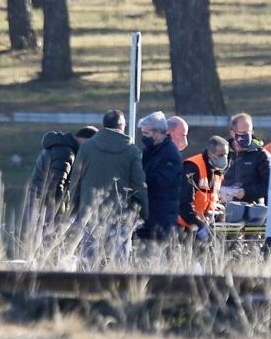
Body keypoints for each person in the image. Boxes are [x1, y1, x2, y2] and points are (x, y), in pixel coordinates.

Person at [68, 110, 148, 262]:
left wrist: (74, 208)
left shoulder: (86, 148)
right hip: (120, 216)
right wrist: (143, 212)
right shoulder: (132, 151)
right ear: (121, 126)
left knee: (88, 263)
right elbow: (139, 185)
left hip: (90, 214)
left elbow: (75, 180)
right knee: (118, 267)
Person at [26, 125, 96, 223]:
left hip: (38, 202)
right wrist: (61, 212)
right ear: (86, 141)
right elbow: (55, 185)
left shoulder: (61, 148)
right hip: (45, 206)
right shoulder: (65, 153)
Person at [136, 111, 183, 242]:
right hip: (149, 214)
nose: (144, 137)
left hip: (161, 218)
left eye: (147, 133)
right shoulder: (149, 151)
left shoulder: (170, 154)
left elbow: (161, 181)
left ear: (158, 132)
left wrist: (138, 176)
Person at [179, 135, 230, 242]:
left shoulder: (217, 172)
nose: (224, 158)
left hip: (204, 226)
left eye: (226, 154)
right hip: (184, 228)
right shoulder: (192, 167)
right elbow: (184, 204)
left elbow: (211, 199)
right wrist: (200, 226)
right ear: (211, 154)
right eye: (221, 155)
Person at [222, 112, 270, 204]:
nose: (247, 136)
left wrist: (246, 192)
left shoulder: (261, 155)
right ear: (233, 133)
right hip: (223, 207)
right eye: (243, 133)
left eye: (249, 132)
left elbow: (268, 186)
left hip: (252, 210)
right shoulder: (223, 152)